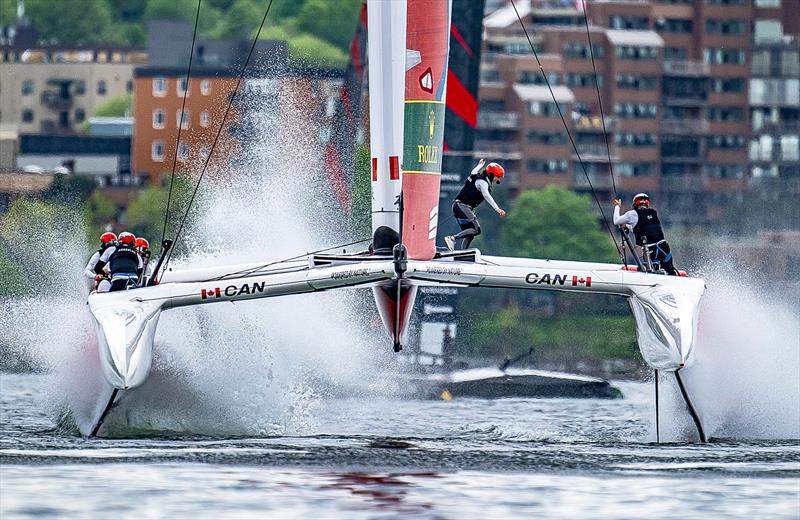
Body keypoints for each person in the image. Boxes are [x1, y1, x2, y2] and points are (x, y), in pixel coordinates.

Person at [444, 158, 507, 251]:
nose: (498, 180)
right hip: (462, 207)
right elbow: (486, 195)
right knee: (477, 229)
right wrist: (497, 209)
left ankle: (463, 253)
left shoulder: (476, 175)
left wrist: (480, 165)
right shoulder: (483, 183)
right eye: (497, 177)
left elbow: (474, 171)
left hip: (458, 207)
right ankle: (452, 238)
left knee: (470, 232)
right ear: (490, 175)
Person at [613, 193, 679, 276]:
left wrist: (617, 206)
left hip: (650, 251)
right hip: (664, 248)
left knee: (652, 273)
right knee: (671, 271)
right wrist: (627, 226)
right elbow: (641, 229)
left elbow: (616, 221)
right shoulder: (653, 213)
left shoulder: (632, 214)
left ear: (635, 203)